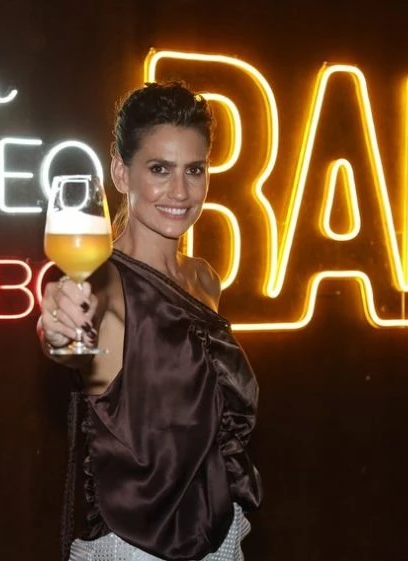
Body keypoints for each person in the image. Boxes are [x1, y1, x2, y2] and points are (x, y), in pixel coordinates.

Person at [37, 81, 262, 561]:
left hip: (222, 537)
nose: (180, 191)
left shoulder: (204, 279)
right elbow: (68, 339)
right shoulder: (102, 283)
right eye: (159, 169)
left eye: (194, 170)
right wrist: (55, 329)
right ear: (121, 173)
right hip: (136, 546)